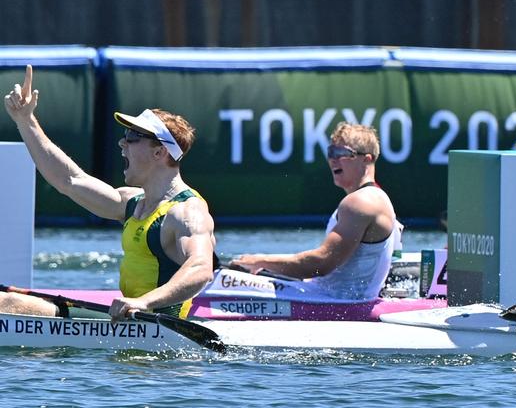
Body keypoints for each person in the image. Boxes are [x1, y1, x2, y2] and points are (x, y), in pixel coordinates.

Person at [2, 65, 216, 320]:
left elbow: (202, 267)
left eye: (132, 137)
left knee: (8, 305)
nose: (122, 143)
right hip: (128, 321)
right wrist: (25, 121)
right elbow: (68, 179)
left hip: (157, 330)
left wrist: (143, 302)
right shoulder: (131, 202)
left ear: (159, 152)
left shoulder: (187, 211)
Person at [227, 121, 402, 301]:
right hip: (333, 296)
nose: (333, 159)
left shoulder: (361, 202)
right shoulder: (375, 199)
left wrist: (260, 261)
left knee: (225, 283)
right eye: (331, 153)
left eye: (342, 153)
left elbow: (322, 263)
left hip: (338, 305)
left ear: (367, 159)